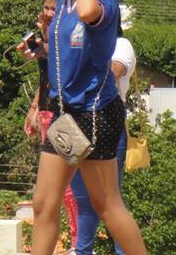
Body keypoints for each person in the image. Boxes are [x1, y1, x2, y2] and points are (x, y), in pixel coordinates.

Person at [30, 0, 146, 255]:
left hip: (95, 115)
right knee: (43, 203)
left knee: (106, 205)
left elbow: (88, 12)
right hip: (66, 116)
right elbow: (68, 53)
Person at [22, 0, 80, 245]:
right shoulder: (51, 35)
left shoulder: (67, 36)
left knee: (75, 191)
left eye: (53, 8)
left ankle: (80, 242)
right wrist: (35, 105)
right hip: (49, 111)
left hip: (67, 115)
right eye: (45, 7)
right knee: (48, 196)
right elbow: (47, 77)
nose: (47, 12)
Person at [69, 26, 135, 255]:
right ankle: (82, 251)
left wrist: (84, 57)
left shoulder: (120, 44)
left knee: (110, 199)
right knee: (82, 199)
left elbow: (113, 72)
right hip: (75, 124)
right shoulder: (75, 44)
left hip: (106, 124)